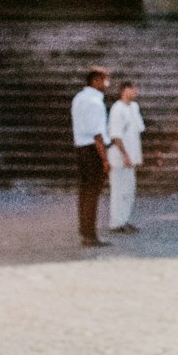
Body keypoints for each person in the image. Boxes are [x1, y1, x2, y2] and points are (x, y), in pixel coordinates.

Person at [71, 66, 111, 247]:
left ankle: (85, 230)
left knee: (85, 192)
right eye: (105, 80)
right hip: (92, 149)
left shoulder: (79, 98)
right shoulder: (95, 102)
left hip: (81, 148)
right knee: (92, 194)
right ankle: (90, 234)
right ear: (96, 81)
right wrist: (104, 159)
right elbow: (98, 134)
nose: (107, 84)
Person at [107, 80, 145, 233]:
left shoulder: (134, 107)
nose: (135, 91)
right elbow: (116, 135)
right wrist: (125, 155)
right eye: (132, 88)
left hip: (132, 154)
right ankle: (116, 222)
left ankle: (125, 219)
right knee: (119, 190)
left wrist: (135, 155)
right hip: (120, 156)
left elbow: (138, 130)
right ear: (124, 91)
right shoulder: (117, 109)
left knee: (129, 190)